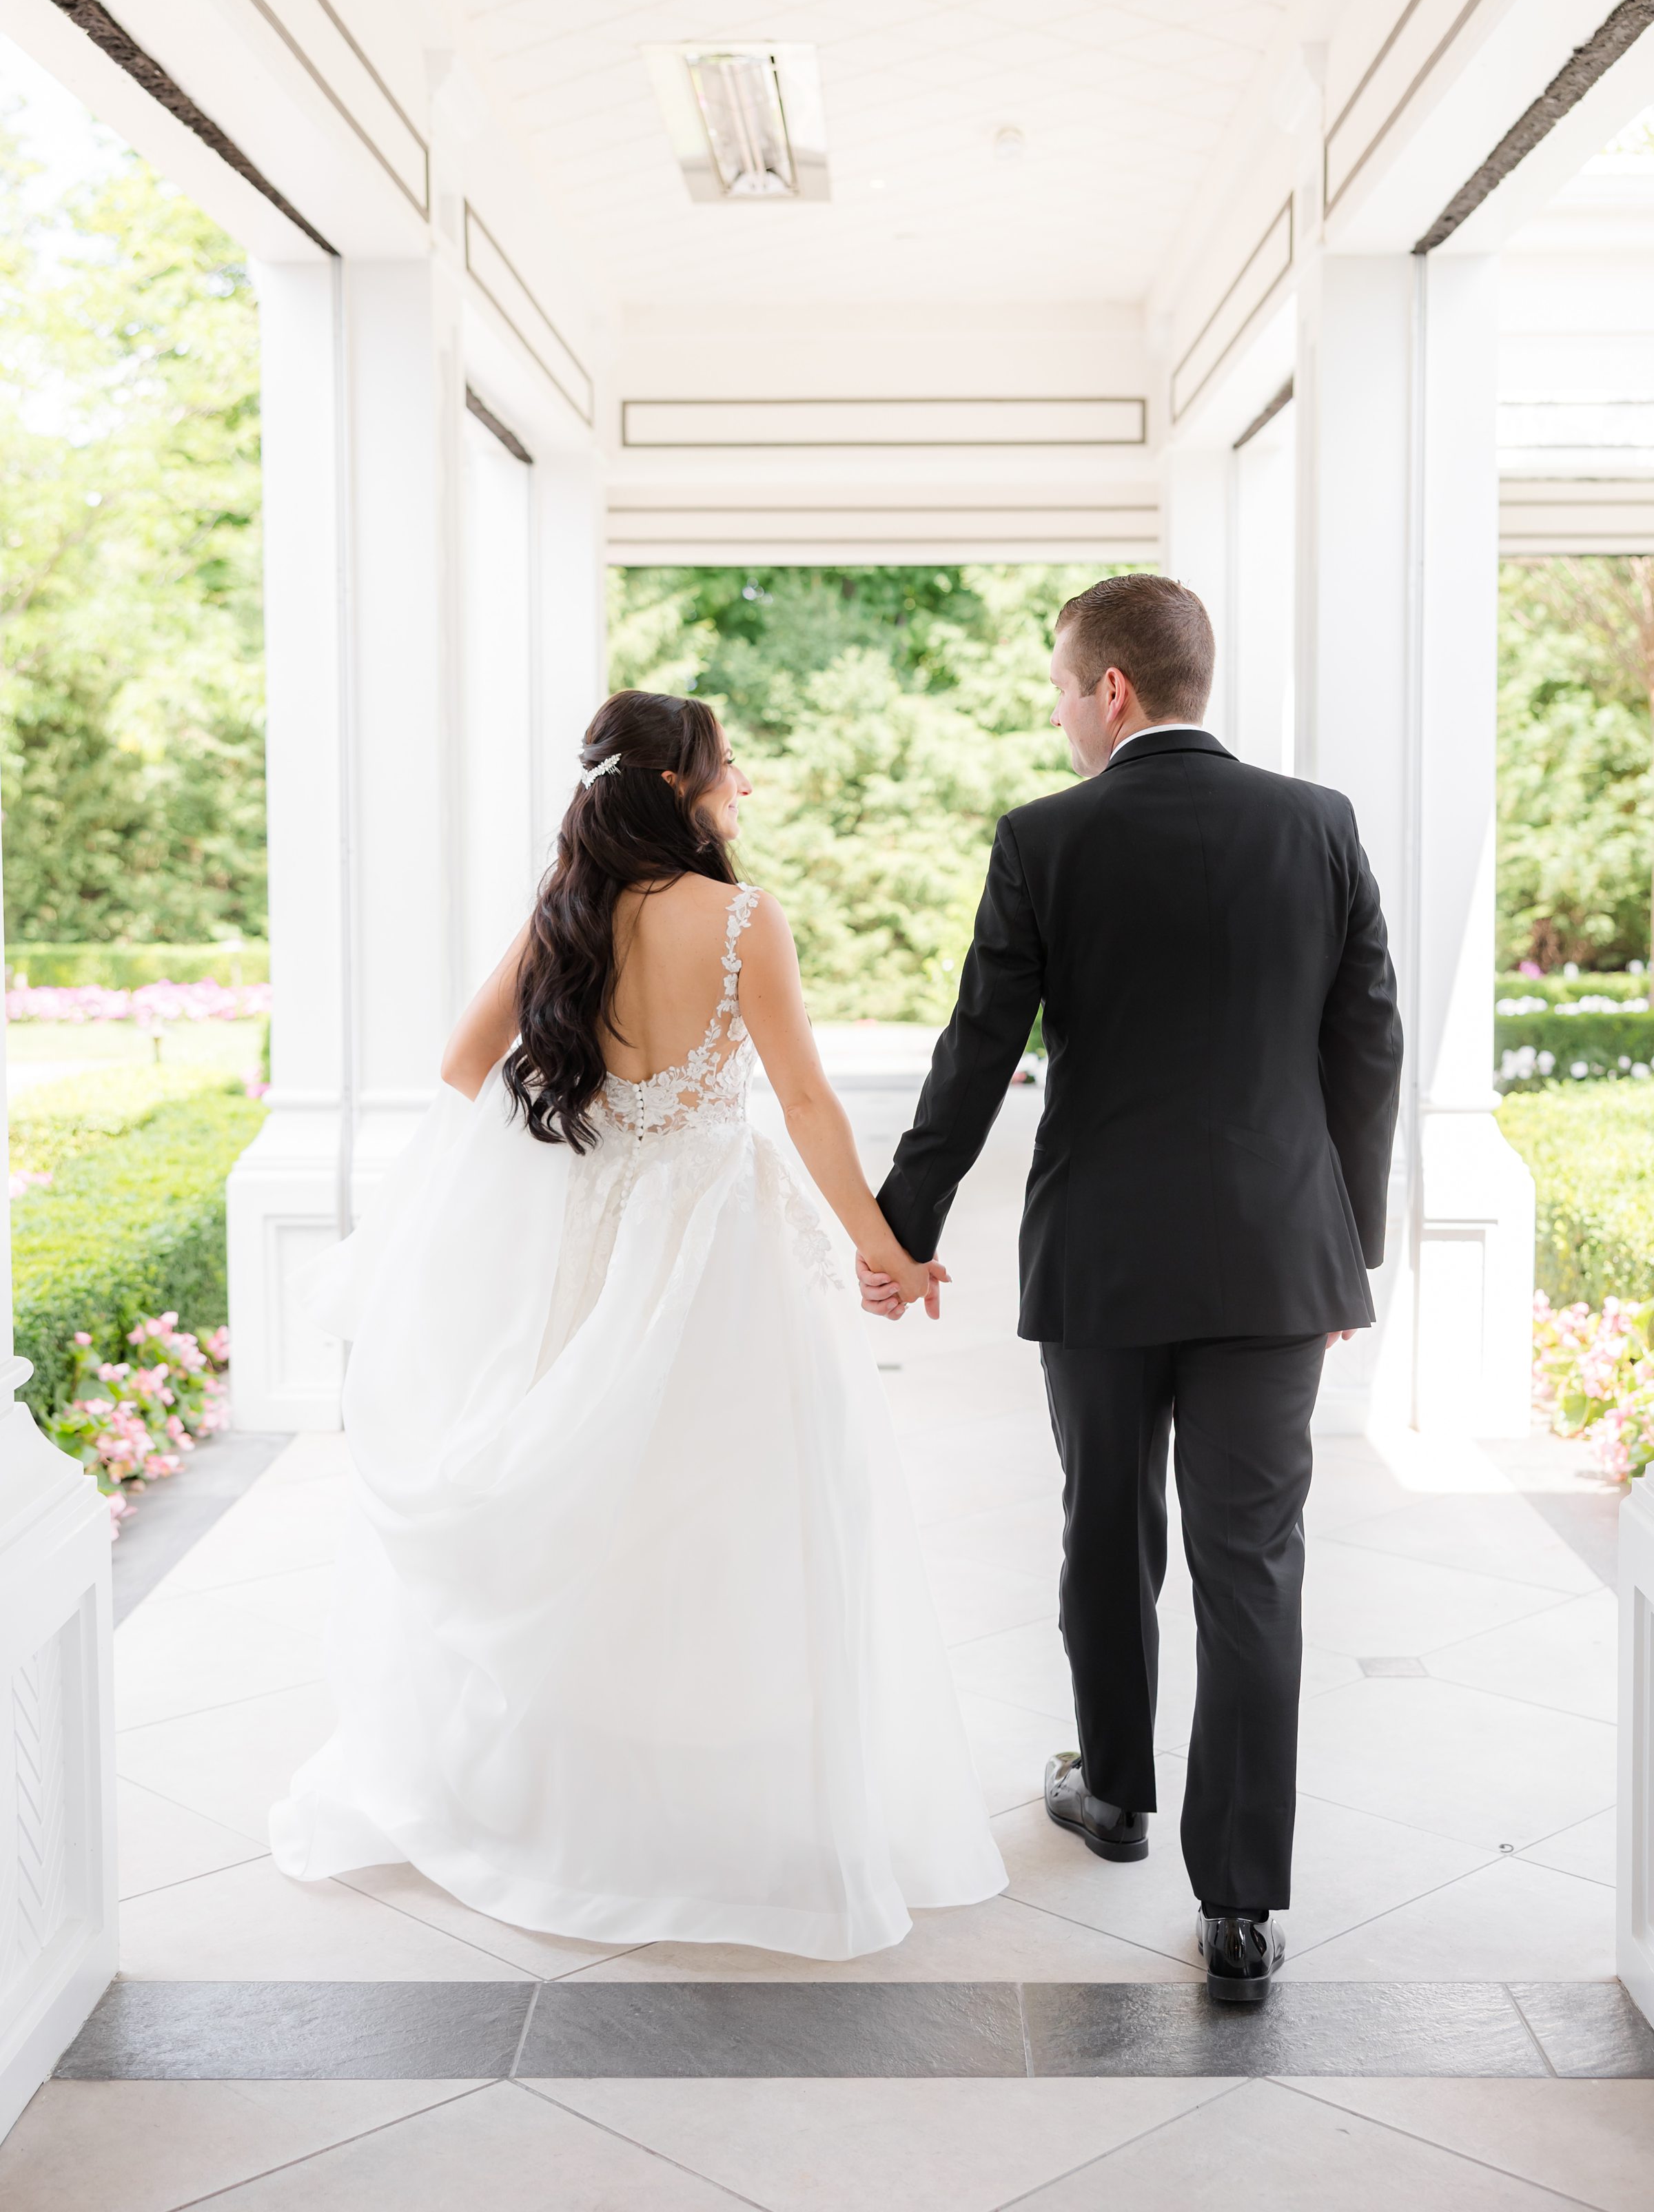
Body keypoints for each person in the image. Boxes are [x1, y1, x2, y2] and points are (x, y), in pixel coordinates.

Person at [270, 688, 1005, 1960]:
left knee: (597, 1511)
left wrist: (579, 1139)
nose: (747, 792)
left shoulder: (565, 915)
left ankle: (587, 1808)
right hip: (722, 1248)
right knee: (744, 1517)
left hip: (595, 1245)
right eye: (731, 770)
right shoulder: (743, 921)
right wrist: (885, 1250)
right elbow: (813, 1107)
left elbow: (461, 1067)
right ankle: (730, 1806)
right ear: (679, 788)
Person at [858, 575, 1402, 2001]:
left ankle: (1111, 1793)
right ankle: (1238, 1905)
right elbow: (1370, 1045)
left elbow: (977, 1049)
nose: (1058, 713)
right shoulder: (1319, 825)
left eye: (1059, 688)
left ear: (1110, 691)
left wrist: (899, 1227)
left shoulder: (1048, 838)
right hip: (1280, 1258)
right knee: (1254, 1563)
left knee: (1107, 1528)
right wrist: (1351, 1243)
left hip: (1102, 1257)